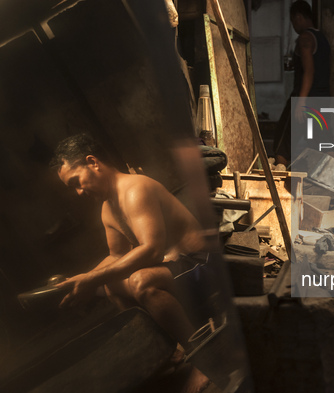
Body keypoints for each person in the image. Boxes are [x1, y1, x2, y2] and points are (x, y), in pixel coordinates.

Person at [51, 133, 214, 392]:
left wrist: (92, 278)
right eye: (73, 188)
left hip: (201, 264)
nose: (79, 192)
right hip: (174, 269)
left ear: (93, 162)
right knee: (112, 286)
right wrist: (79, 281)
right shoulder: (107, 208)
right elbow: (116, 256)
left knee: (141, 282)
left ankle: (205, 359)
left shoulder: (136, 188)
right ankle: (165, 351)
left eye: (77, 182)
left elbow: (151, 251)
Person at [273, 0, 331, 166]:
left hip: (306, 98)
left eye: (292, 21)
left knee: (282, 143)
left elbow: (309, 71)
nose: (293, 25)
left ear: (298, 17)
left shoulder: (305, 39)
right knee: (325, 141)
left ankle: (279, 178)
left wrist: (301, 102)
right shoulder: (322, 38)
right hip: (323, 99)